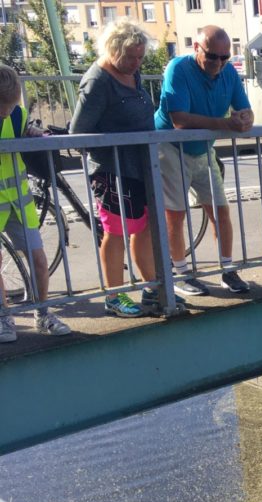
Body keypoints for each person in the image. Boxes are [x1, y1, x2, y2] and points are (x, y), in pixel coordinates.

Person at [70, 17, 181, 319]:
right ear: (113, 50)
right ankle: (114, 296)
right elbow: (79, 131)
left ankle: (151, 286)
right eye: (131, 56)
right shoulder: (98, 81)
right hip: (112, 169)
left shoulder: (133, 73)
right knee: (116, 230)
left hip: (139, 165)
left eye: (140, 56)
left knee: (142, 228)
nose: (136, 62)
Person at [155, 25, 254, 296]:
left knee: (220, 210)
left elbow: (245, 109)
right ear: (196, 48)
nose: (219, 63)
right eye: (213, 57)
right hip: (170, 147)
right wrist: (224, 123)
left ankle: (227, 269)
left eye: (225, 58)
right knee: (175, 214)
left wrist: (246, 119)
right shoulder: (178, 68)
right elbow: (179, 119)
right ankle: (182, 273)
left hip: (203, 150)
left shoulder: (228, 72)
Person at [0, 65, 71, 342]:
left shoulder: (17, 114)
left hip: (18, 199)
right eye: (1, 108)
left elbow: (24, 129)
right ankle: (4, 317)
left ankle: (43, 313)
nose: (6, 113)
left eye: (9, 107)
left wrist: (36, 135)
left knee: (39, 259)